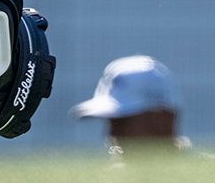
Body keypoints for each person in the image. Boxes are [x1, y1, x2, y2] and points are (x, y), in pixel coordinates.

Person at [70, 55, 205, 161]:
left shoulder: (206, 179)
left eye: (123, 122)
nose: (112, 134)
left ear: (163, 118)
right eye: (110, 122)